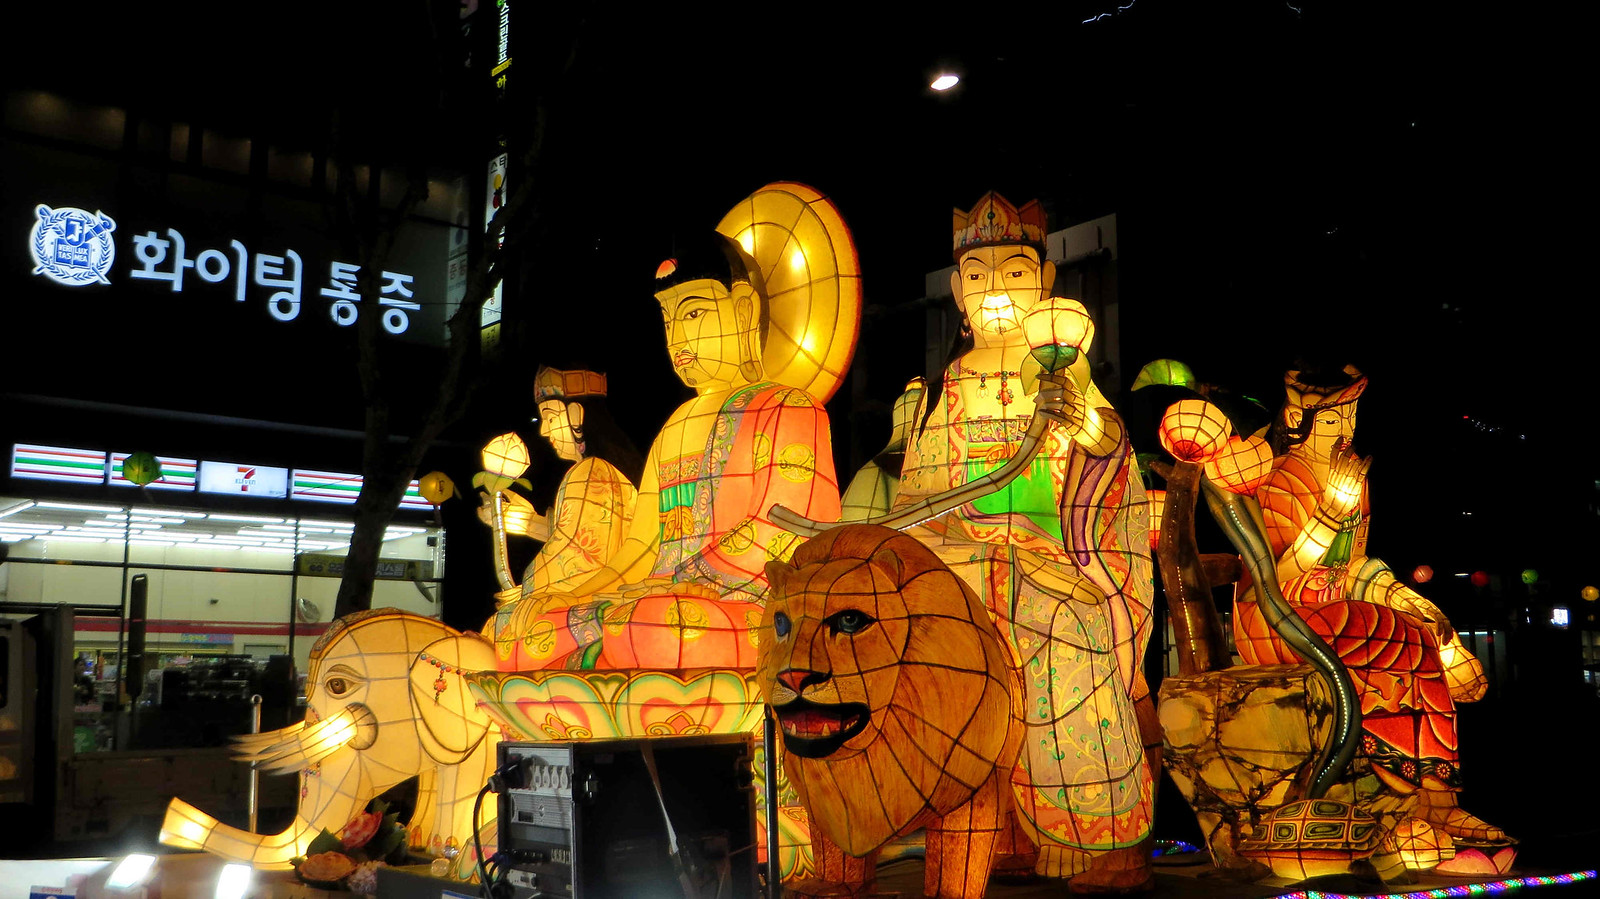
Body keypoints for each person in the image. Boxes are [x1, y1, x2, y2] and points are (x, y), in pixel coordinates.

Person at [891, 193, 1156, 889]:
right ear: (957, 291)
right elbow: (918, 495)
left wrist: (1079, 417)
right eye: (977, 276)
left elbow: (1108, 450)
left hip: (1051, 554)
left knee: (1065, 626)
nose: (997, 292)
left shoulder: (1063, 371)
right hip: (960, 552)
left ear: (1045, 282)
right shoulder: (947, 386)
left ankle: (1090, 827)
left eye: (1013, 273)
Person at [490, 184, 856, 672]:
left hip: (754, 607)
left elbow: (785, 529)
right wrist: (575, 594)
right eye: (669, 319)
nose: (678, 337)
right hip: (656, 601)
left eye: (696, 313)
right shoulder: (675, 427)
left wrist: (684, 581)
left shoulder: (789, 408)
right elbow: (642, 546)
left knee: (653, 627)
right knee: (522, 631)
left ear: (744, 310)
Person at [1234, 366, 1507, 844]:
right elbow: (1274, 577)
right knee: (1392, 634)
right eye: (1330, 420)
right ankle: (1411, 796)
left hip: (1336, 608)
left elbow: (1354, 566)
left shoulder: (1353, 480)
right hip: (1276, 620)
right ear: (1297, 419)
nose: (1343, 432)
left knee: (1416, 628)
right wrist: (1326, 517)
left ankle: (1438, 797)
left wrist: (1413, 602)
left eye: (1349, 417)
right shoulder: (1281, 479)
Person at [481, 366, 643, 668]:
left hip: (598, 605)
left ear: (577, 414)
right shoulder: (607, 469)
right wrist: (530, 523)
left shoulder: (592, 471)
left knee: (503, 628)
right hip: (612, 599)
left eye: (551, 418)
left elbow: (578, 554)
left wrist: (529, 592)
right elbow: (591, 537)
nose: (544, 431)